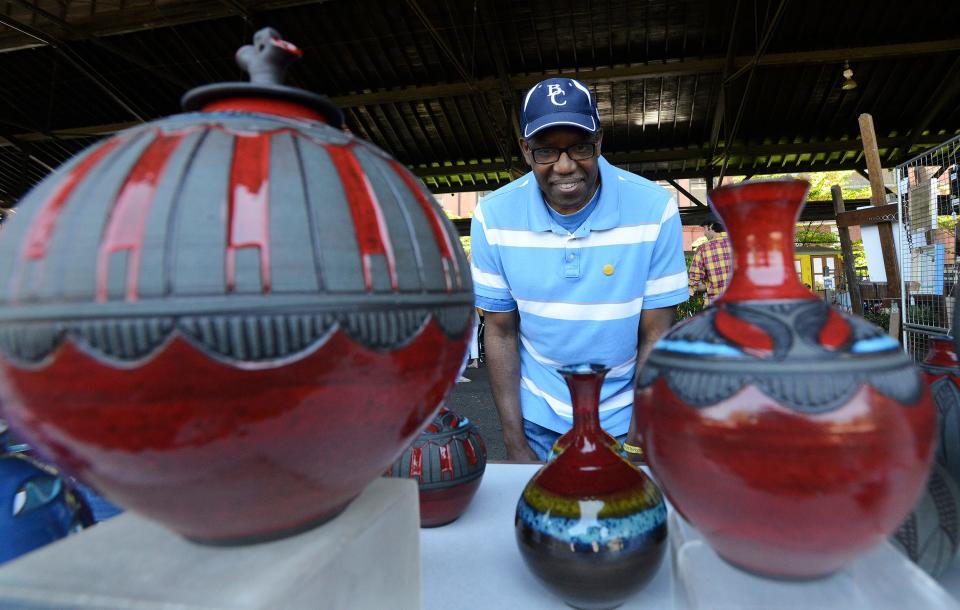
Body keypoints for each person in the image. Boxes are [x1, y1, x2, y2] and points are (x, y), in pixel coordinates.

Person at [469, 77, 688, 461]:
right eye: (545, 152)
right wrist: (515, 442)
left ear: (599, 141)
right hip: (540, 421)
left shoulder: (654, 209)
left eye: (580, 148)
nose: (565, 166)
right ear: (525, 149)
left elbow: (657, 329)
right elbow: (501, 332)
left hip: (625, 421)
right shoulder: (493, 216)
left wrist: (638, 435)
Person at [688, 221, 733, 306]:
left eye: (704, 228)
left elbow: (694, 283)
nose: (704, 233)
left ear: (711, 226)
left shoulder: (703, 249)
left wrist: (708, 284)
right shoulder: (741, 244)